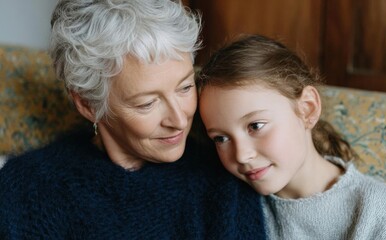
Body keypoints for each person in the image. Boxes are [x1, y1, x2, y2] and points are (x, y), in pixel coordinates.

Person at [0, 1, 267, 239]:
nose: (179, 119)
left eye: (185, 87)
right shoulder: (26, 191)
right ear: (88, 105)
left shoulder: (224, 181)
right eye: (147, 103)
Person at [198, 34, 386, 239]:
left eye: (255, 126)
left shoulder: (378, 211)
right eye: (221, 138)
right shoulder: (230, 205)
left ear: (307, 109)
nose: (242, 155)